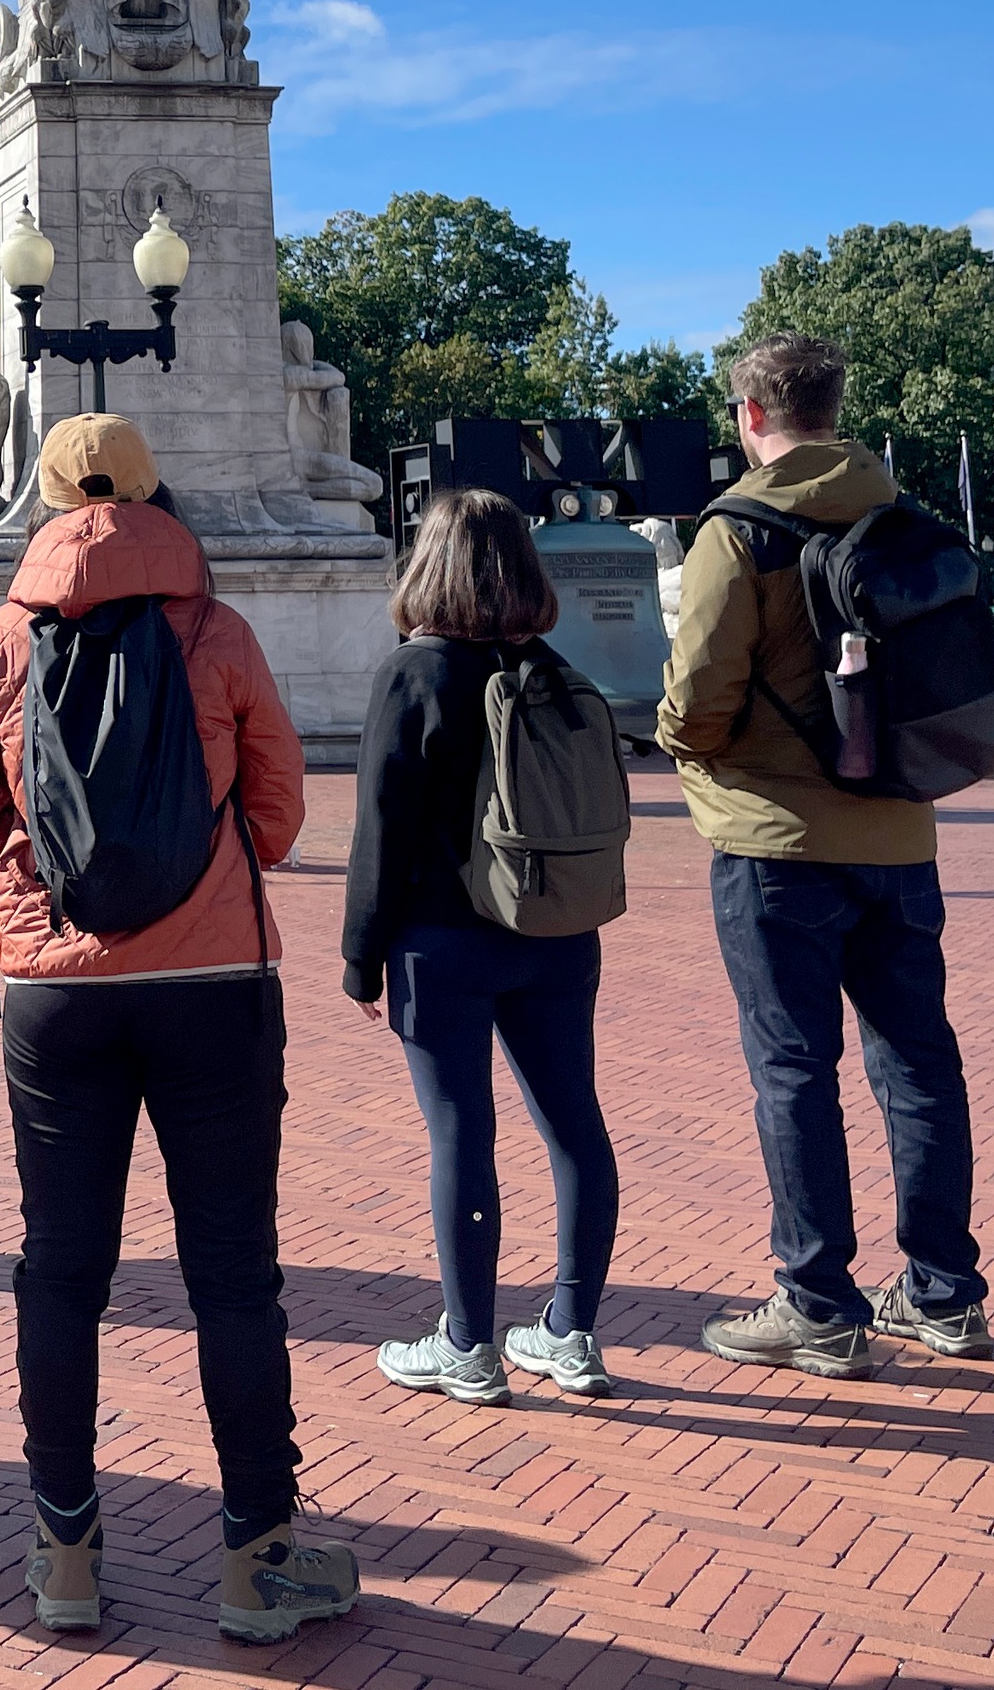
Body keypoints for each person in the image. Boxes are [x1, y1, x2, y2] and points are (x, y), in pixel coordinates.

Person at [0, 413, 359, 1648]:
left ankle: (64, 1547)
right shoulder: (217, 632)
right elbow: (277, 816)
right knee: (232, 1271)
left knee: (61, 1266)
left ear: (48, 501)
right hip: (214, 980)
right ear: (152, 490)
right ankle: (257, 1557)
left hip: (53, 992)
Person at [660, 333, 992, 1377]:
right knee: (918, 1060)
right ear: (831, 405)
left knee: (794, 1069)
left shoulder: (737, 528)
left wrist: (677, 737)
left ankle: (816, 1299)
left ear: (749, 414)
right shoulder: (892, 512)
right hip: (898, 828)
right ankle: (943, 1293)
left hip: (773, 841)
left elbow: (698, 695)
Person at [343, 490, 621, 1406]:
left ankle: (467, 1345)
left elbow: (380, 829)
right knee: (574, 1124)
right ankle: (569, 1331)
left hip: (442, 941)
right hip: (556, 929)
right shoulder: (554, 668)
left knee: (463, 1130)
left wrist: (361, 955)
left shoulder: (414, 672)